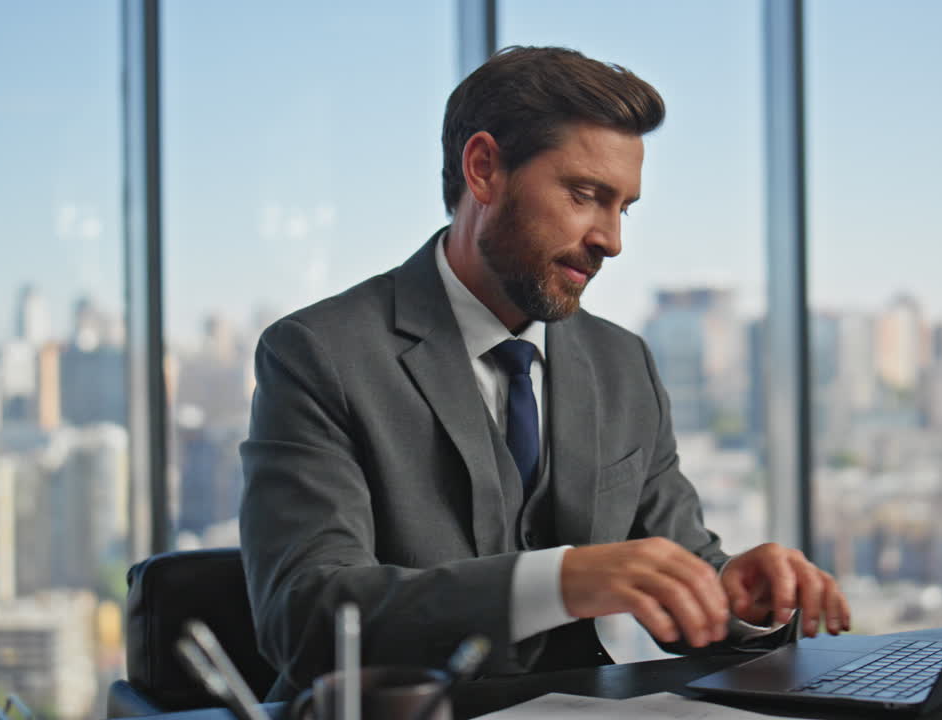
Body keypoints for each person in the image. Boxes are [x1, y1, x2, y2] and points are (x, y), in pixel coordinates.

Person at [240, 45, 850, 700]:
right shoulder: (318, 353)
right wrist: (561, 581)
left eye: (624, 208)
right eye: (586, 195)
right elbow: (305, 618)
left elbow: (681, 567)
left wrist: (740, 599)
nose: (611, 239)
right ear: (484, 170)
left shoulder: (624, 366)